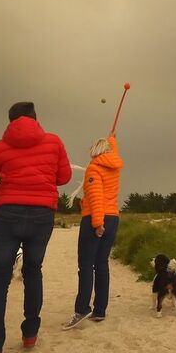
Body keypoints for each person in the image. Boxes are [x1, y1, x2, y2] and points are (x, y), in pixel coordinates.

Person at [0, 102, 71, 353]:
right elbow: (63, 177)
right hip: (42, 215)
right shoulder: (54, 142)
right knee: (33, 272)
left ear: (10, 121)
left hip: (7, 214)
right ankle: (30, 333)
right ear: (35, 118)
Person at [62, 134, 124, 329]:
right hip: (113, 217)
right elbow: (115, 152)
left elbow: (96, 196)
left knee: (86, 265)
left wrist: (97, 223)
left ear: (95, 152)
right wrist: (113, 139)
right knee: (102, 264)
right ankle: (100, 310)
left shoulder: (94, 168)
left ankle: (82, 309)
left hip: (96, 218)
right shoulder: (114, 167)